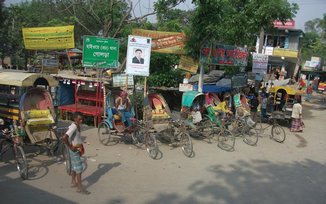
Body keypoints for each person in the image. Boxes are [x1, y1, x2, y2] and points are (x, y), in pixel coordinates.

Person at [63, 112, 90, 194]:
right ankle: (79, 187)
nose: (81, 121)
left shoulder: (76, 125)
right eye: (79, 119)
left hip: (77, 149)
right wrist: (70, 146)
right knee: (79, 168)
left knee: (74, 167)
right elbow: (65, 137)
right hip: (74, 150)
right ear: (75, 119)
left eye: (82, 119)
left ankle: (73, 182)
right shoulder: (74, 127)